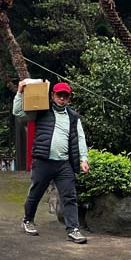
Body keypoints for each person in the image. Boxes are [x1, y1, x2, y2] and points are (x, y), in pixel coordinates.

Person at [12, 80, 90, 244]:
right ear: (52, 95)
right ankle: (28, 220)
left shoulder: (73, 116)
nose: (62, 98)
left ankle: (73, 229)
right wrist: (20, 92)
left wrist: (83, 159)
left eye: (65, 96)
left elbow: (80, 137)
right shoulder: (41, 111)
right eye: (59, 95)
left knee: (69, 196)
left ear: (69, 98)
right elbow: (19, 114)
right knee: (36, 193)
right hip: (43, 161)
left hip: (63, 163)